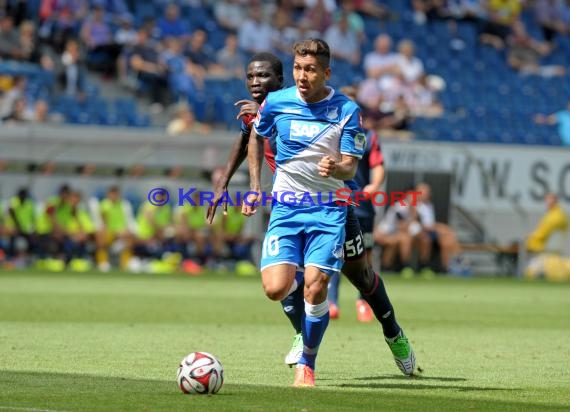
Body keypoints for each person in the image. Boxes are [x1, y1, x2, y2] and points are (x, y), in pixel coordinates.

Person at [206, 50, 418, 383]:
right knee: (286, 285)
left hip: (333, 206)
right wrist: (232, 185)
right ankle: (302, 333)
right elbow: (249, 140)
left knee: (361, 278)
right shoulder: (265, 111)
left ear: (280, 81)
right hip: (288, 206)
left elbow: (352, 163)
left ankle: (393, 333)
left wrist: (340, 169)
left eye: (263, 77)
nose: (255, 83)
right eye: (250, 77)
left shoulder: (327, 108)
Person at [327, 86, 385, 323]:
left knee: (365, 256)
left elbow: (378, 164)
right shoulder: (327, 132)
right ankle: (331, 302)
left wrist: (374, 186)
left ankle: (363, 301)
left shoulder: (368, 136)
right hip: (335, 202)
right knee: (334, 254)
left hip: (361, 205)